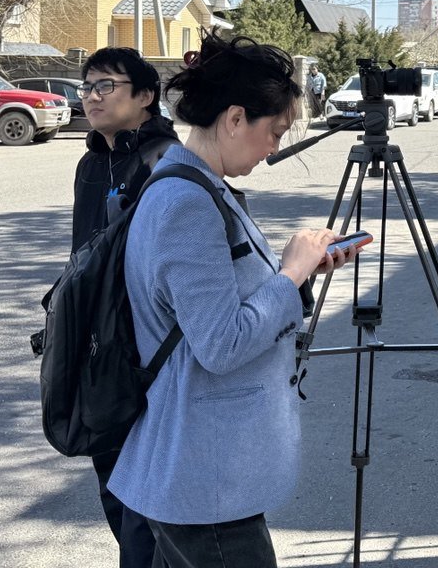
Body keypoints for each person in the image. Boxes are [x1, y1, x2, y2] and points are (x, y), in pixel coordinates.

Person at [108, 32, 360, 568]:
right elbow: (220, 344)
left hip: (200, 468)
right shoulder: (187, 202)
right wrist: (291, 272)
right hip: (205, 476)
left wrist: (301, 274)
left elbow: (218, 302)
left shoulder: (197, 184)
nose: (273, 149)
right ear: (235, 118)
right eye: (275, 132)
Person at [71, 46, 179, 568]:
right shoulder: (91, 162)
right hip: (96, 346)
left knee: (145, 494)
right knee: (112, 481)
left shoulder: (165, 161)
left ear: (145, 97)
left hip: (144, 352)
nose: (92, 97)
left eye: (106, 86)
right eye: (87, 86)